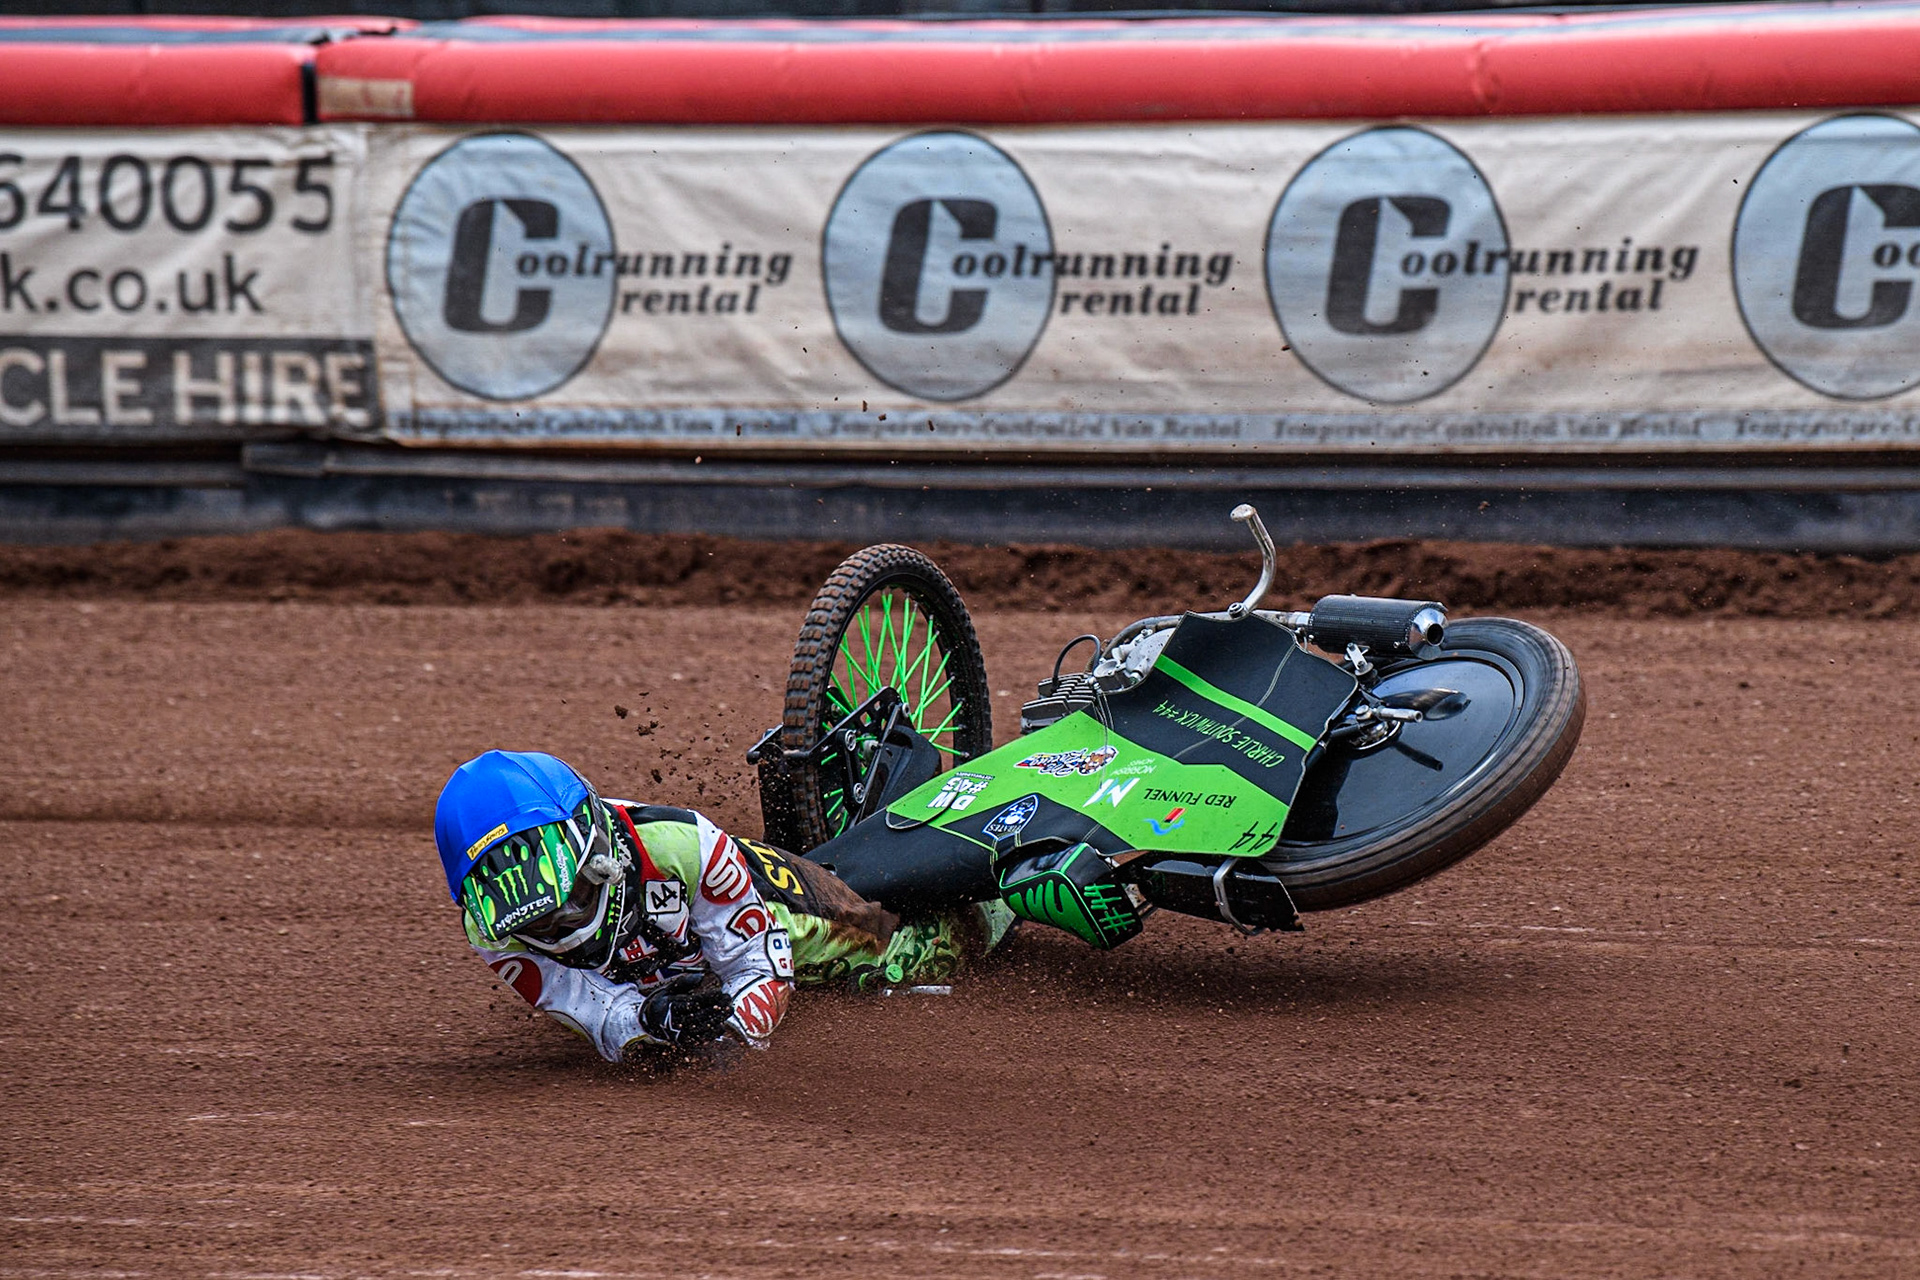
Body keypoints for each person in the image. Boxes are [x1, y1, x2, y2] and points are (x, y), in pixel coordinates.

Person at [435, 749, 1010, 1062]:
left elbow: (761, 966)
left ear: (598, 849)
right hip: (685, 952)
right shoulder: (490, 928)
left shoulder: (682, 844)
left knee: (926, 950)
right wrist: (651, 1020)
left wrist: (727, 1030)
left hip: (779, 913)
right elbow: (587, 1007)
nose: (566, 928)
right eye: (539, 920)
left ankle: (1011, 888)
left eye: (575, 900)